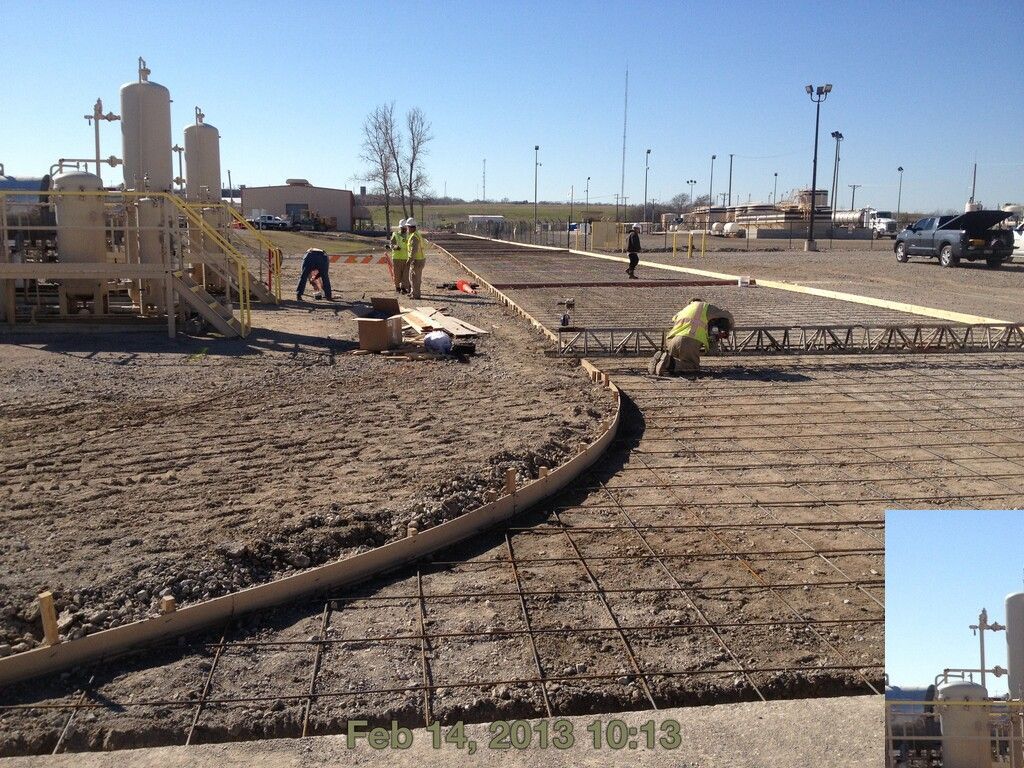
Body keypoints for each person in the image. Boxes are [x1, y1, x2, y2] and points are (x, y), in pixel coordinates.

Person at [649, 297, 734, 377]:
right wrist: (728, 328)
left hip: (672, 342)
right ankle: (668, 362)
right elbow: (727, 315)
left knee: (678, 367)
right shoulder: (704, 306)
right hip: (689, 340)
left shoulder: (683, 311)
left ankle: (660, 362)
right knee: (692, 367)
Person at [389, 218, 411, 294]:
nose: (403, 229)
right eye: (402, 227)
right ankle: (397, 287)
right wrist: (395, 247)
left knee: (405, 274)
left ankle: (404, 287)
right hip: (397, 258)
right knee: (397, 273)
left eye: (404, 227)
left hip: (406, 258)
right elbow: (391, 244)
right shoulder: (395, 234)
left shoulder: (409, 235)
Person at [406, 217, 426, 299]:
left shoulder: (414, 237)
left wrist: (409, 259)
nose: (407, 229)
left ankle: (416, 295)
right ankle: (413, 292)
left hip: (417, 260)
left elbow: (414, 250)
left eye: (408, 227)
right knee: (412, 277)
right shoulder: (416, 234)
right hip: (419, 259)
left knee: (415, 279)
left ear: (411, 227)